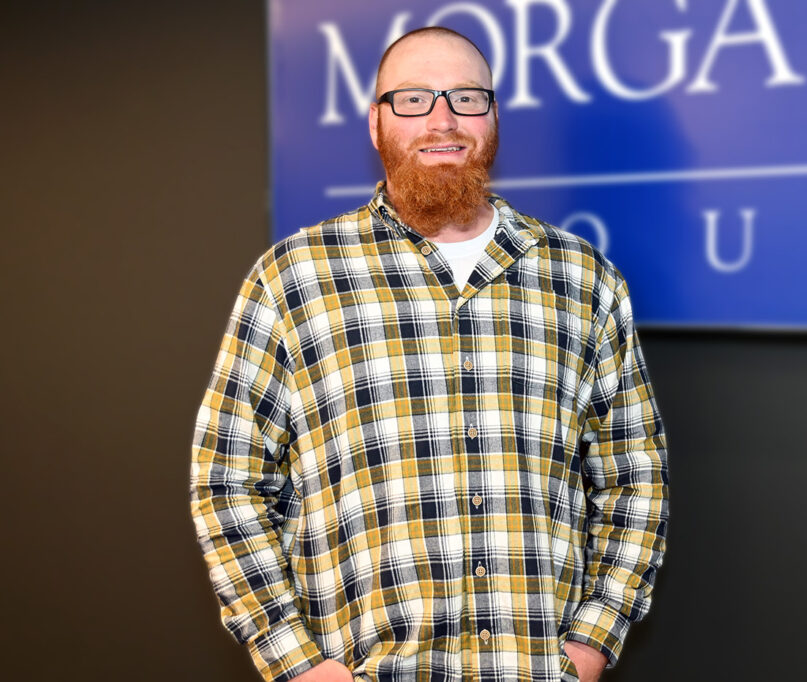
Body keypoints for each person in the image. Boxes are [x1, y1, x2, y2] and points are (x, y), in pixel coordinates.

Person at [191, 26, 668, 682]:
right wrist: (296, 663)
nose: (443, 119)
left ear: (494, 116)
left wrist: (590, 643)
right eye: (413, 99)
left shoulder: (582, 278)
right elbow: (229, 481)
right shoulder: (293, 278)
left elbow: (633, 473)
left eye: (467, 98)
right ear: (376, 122)